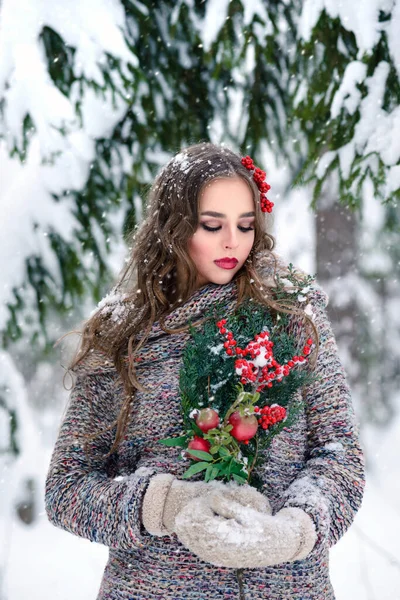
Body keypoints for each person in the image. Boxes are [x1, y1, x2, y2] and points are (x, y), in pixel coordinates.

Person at [45, 142, 366, 600]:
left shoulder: (293, 317)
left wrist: (296, 530)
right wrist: (162, 505)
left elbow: (340, 456)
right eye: (212, 225)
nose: (232, 242)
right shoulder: (123, 340)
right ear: (172, 229)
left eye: (246, 225)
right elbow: (66, 491)